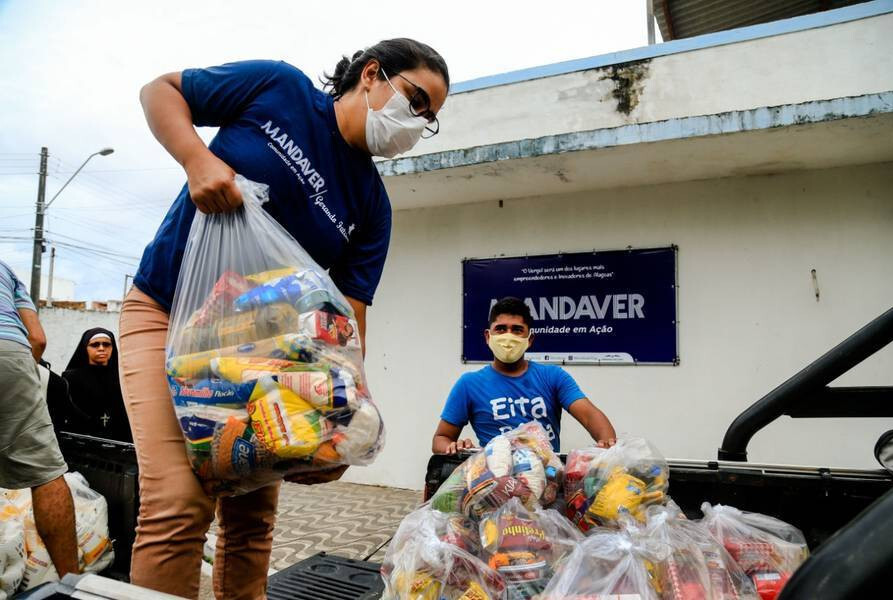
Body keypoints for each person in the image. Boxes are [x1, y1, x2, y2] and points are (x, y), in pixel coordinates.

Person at [121, 38, 449, 599]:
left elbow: (347, 327)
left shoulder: (372, 207)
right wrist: (197, 159)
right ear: (371, 74)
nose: (417, 122)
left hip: (262, 365)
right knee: (178, 503)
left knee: (251, 523)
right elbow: (161, 91)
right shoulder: (279, 89)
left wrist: (343, 419)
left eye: (430, 118)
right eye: (416, 100)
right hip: (166, 319)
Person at [433, 297, 617, 455]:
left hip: (546, 479)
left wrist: (609, 445)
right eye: (501, 329)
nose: (508, 336)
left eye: (517, 330)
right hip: (495, 483)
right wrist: (454, 446)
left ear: (529, 339)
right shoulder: (469, 385)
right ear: (488, 336)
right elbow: (441, 439)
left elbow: (589, 416)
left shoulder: (553, 377)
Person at [0, 259, 79, 577]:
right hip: (11, 352)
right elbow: (38, 339)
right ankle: (72, 584)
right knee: (46, 474)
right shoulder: (6, 271)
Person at [51, 328, 132, 443]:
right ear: (85, 348)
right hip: (80, 440)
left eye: (106, 344)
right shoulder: (71, 378)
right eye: (95, 345)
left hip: (117, 441)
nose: (101, 348)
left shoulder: (122, 378)